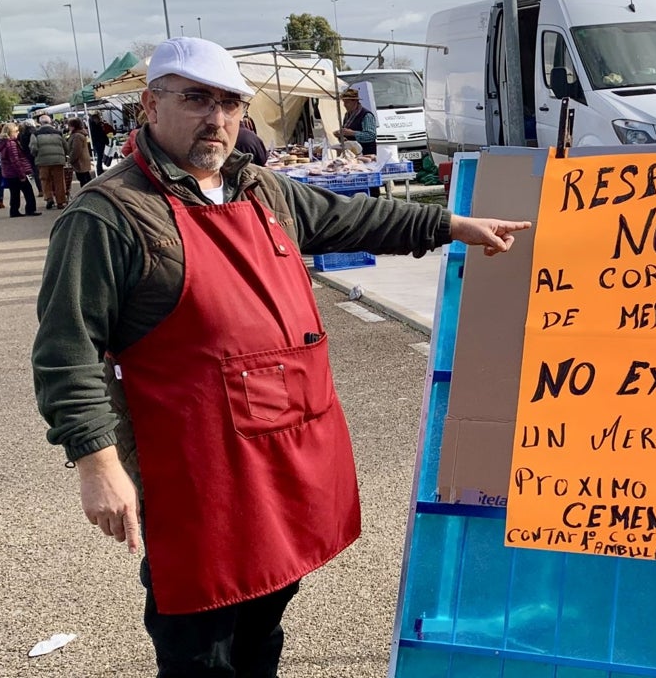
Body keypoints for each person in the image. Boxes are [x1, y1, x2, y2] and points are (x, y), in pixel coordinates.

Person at [31, 37, 530, 678]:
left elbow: (352, 219)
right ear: (150, 106)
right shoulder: (110, 216)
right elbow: (66, 349)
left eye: (229, 103)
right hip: (196, 468)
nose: (216, 118)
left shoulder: (260, 188)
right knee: (200, 638)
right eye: (195, 99)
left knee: (267, 615)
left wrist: (451, 226)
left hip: (286, 449)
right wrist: (97, 463)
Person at [0, 122, 40, 217]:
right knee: (28, 191)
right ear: (10, 132)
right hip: (16, 172)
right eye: (16, 131)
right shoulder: (11, 144)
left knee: (15, 193)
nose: (18, 133)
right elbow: (15, 160)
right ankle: (30, 209)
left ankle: (14, 211)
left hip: (9, 172)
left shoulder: (4, 143)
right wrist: (21, 174)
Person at [30, 116, 69, 209]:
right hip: (58, 160)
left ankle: (49, 198)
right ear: (50, 122)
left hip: (43, 161)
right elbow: (66, 146)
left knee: (45, 180)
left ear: (40, 123)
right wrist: (65, 155)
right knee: (59, 181)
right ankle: (60, 201)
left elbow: (33, 148)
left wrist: (35, 155)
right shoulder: (58, 133)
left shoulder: (35, 134)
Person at [334, 87, 377, 156]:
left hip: (367, 154)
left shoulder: (366, 115)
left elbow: (371, 136)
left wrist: (353, 133)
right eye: (344, 102)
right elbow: (347, 136)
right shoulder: (347, 115)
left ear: (355, 101)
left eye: (347, 102)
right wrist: (341, 135)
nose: (344, 105)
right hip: (352, 154)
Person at [67, 117, 95, 188]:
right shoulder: (79, 134)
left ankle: (86, 193)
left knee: (83, 179)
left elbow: (76, 150)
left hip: (80, 161)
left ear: (73, 126)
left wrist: (71, 160)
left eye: (69, 125)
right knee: (86, 178)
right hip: (82, 160)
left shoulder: (77, 136)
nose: (68, 127)